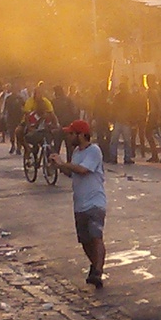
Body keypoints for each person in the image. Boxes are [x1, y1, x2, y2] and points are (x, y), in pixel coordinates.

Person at [49, 119, 107, 288]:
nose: (69, 137)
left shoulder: (94, 151)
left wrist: (63, 163)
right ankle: (94, 264)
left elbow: (83, 169)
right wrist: (59, 166)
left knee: (96, 236)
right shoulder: (76, 152)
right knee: (85, 240)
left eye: (72, 134)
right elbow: (72, 172)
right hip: (80, 203)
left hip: (95, 201)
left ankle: (98, 271)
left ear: (81, 135)